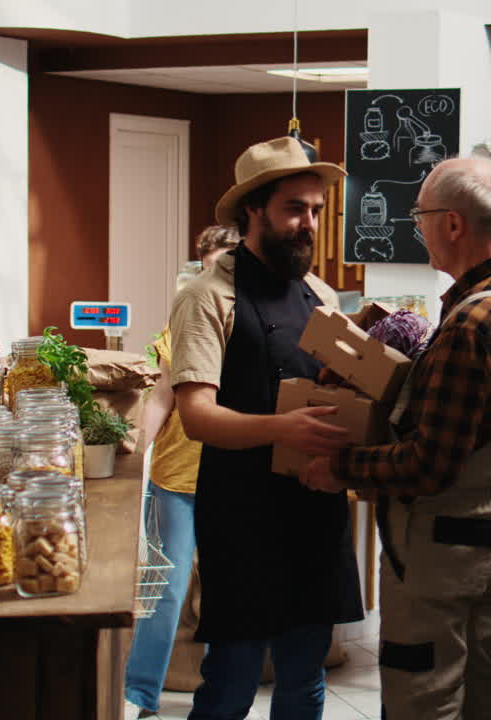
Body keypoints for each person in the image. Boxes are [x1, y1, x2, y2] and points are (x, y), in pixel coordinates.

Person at [300, 156, 491, 720]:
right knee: (483, 687)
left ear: (453, 224)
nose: (417, 228)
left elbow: (429, 464)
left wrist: (339, 468)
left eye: (419, 217)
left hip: (443, 541)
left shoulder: (471, 325)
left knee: (424, 693)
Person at [169, 136, 365, 720]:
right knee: (230, 681)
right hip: (242, 515)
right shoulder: (208, 297)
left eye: (316, 211)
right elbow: (197, 416)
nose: (309, 224)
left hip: (315, 507)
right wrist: (284, 429)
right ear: (253, 209)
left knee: (305, 680)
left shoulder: (320, 295)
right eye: (294, 209)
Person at [125, 225, 239, 718]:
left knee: (226, 590)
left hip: (234, 480)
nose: (213, 280)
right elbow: (160, 399)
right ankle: (139, 693)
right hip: (175, 478)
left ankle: (219, 693)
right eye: (206, 268)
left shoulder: (255, 327)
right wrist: (135, 451)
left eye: (224, 267)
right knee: (165, 588)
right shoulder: (183, 325)